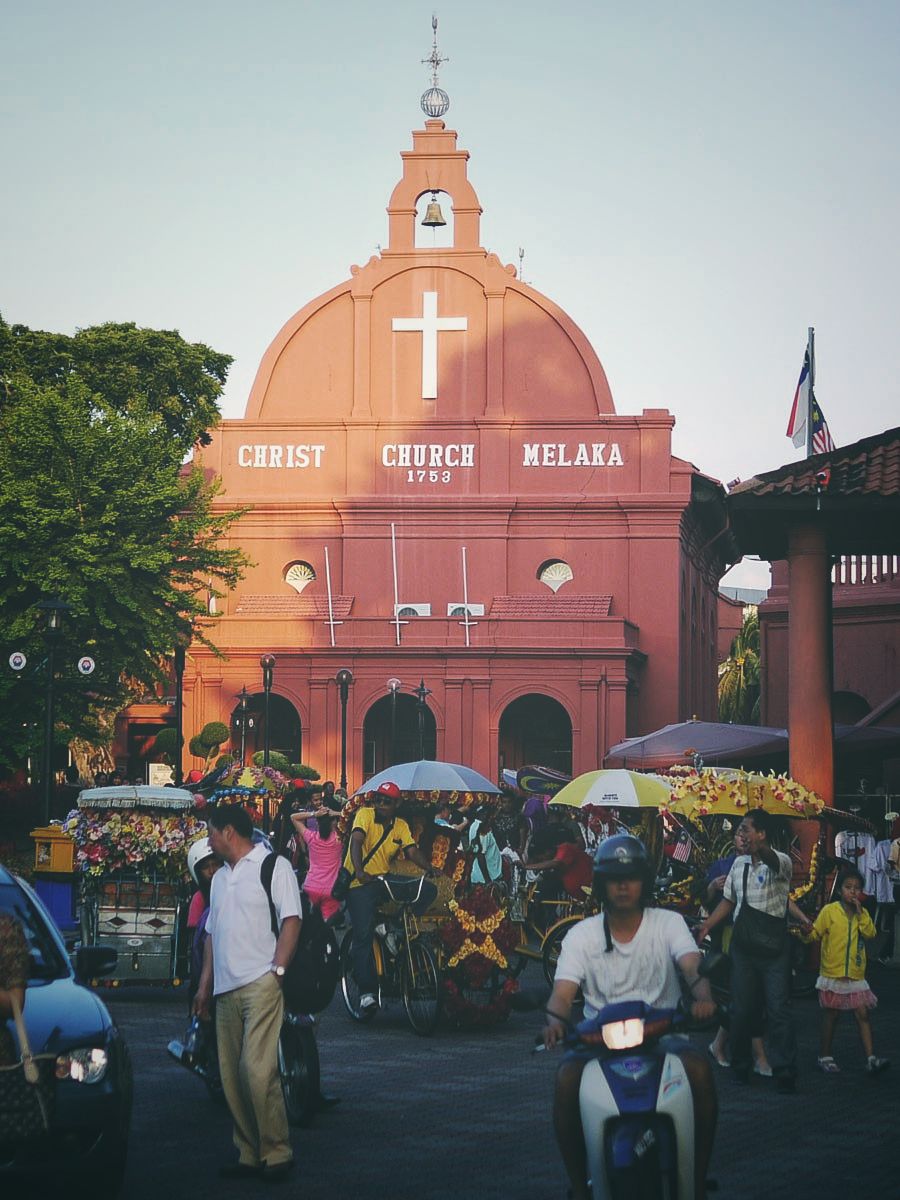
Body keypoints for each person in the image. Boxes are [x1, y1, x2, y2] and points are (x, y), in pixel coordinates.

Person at [543, 835, 717, 1200]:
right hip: (597, 1041)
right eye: (614, 878)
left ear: (645, 882)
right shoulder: (581, 935)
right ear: (602, 885)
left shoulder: (668, 924)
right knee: (564, 1081)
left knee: (700, 1069)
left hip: (663, 1035)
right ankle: (579, 1185)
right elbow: (562, 992)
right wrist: (555, 1021)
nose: (623, 886)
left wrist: (704, 998)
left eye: (632, 877)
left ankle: (696, 1180)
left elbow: (692, 968)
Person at [193, 804, 302, 1182]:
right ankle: (248, 1153)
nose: (208, 840)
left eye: (210, 832)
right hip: (225, 987)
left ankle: (277, 1152)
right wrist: (205, 985)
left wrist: (279, 969)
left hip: (261, 981)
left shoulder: (273, 866)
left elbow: (291, 919)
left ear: (228, 832)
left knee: (256, 1071)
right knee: (230, 1077)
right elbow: (211, 935)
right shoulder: (220, 879)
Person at [695, 808, 798, 1093]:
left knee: (778, 1009)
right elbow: (728, 902)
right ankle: (741, 1065)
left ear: (762, 834)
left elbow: (770, 858)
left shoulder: (782, 862)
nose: (740, 834)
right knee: (741, 1008)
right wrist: (706, 926)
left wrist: (758, 847)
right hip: (743, 947)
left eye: (746, 829)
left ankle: (785, 1069)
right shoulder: (738, 866)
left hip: (774, 948)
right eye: (740, 830)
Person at [344, 780, 438, 1014]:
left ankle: (392, 927)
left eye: (387, 801)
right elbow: (356, 841)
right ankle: (367, 992)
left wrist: (429, 868)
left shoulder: (400, 825)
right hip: (360, 883)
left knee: (427, 890)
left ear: (396, 804)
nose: (381, 804)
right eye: (378, 800)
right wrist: (358, 870)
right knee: (363, 934)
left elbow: (411, 851)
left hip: (383, 879)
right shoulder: (364, 814)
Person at [805, 867, 889, 1074]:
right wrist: (804, 933)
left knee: (863, 1013)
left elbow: (870, 934)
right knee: (832, 1014)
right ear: (840, 890)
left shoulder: (863, 913)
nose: (853, 892)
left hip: (855, 974)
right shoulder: (830, 911)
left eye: (857, 888)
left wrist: (861, 915)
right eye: (848, 887)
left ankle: (871, 1058)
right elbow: (815, 934)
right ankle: (825, 1055)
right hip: (833, 974)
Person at [291, 804, 343, 921]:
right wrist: (335, 813)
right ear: (333, 823)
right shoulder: (339, 839)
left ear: (317, 823)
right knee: (327, 926)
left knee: (312, 924)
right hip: (331, 890)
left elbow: (293, 817)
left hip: (311, 887)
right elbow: (354, 817)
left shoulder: (311, 837)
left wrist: (314, 814)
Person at [468, 806, 503, 885]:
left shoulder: (474, 825)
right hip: (486, 878)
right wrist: (488, 880)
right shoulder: (483, 831)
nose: (493, 817)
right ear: (484, 814)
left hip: (481, 875)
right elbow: (480, 855)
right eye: (490, 814)